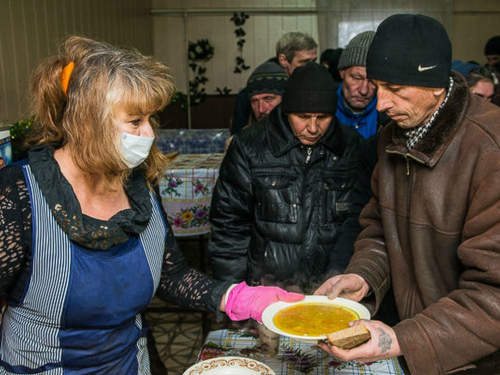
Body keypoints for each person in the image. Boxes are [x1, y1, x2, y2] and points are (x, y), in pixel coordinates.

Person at [0, 35, 304, 374]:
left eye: (149, 120)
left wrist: (237, 297)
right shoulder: (19, 193)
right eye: (134, 121)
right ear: (87, 123)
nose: (148, 134)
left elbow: (171, 277)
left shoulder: (139, 186)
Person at [315, 14, 500, 374]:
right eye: (377, 85)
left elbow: (494, 295)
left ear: (436, 85)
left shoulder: (489, 149)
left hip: (478, 358)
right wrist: (364, 275)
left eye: (396, 90)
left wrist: (402, 340)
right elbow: (380, 229)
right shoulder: (393, 136)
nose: (380, 103)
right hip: (419, 341)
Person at [208, 63, 363, 293]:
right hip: (266, 289)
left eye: (322, 117)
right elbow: (229, 227)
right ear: (287, 110)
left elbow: (359, 222)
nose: (312, 127)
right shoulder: (250, 146)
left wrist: (344, 273)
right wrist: (237, 295)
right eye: (303, 116)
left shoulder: (351, 146)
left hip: (332, 289)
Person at [336, 31, 388, 139]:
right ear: (342, 72)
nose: (364, 91)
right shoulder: (322, 112)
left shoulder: (390, 117)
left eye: (372, 81)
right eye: (356, 78)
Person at [226, 61, 288, 151]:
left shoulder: (304, 137)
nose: (261, 109)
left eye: (268, 99)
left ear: (286, 99)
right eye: (255, 101)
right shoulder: (239, 142)